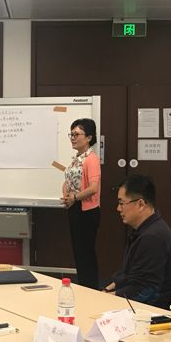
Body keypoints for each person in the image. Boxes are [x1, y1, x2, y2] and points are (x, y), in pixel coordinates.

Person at [103, 174, 171, 307]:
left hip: (148, 309)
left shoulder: (152, 238)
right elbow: (129, 276)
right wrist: (106, 290)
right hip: (138, 300)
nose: (118, 208)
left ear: (140, 204)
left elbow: (144, 290)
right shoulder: (146, 229)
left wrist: (108, 299)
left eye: (122, 203)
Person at [61, 118, 101, 288]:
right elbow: (68, 181)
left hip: (87, 211)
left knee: (86, 253)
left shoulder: (91, 159)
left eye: (76, 134)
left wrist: (74, 198)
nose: (73, 138)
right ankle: (84, 287)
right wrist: (66, 196)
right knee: (78, 253)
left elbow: (93, 188)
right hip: (75, 208)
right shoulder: (77, 159)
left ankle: (90, 288)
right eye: (71, 134)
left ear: (89, 137)